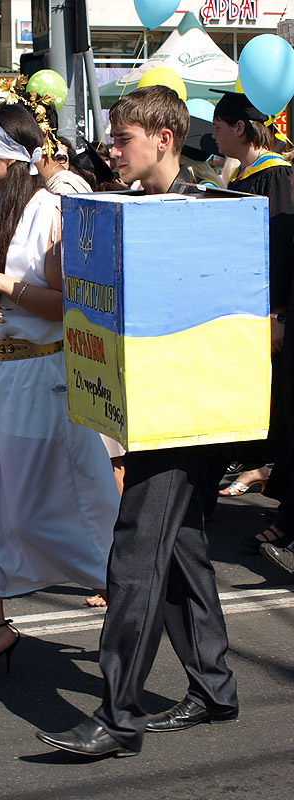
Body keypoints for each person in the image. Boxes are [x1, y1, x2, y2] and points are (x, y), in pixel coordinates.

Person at [36, 86, 239, 758]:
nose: (111, 149)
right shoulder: (129, 208)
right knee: (178, 546)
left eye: (122, 138)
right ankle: (212, 686)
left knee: (134, 555)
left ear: (163, 138)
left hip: (188, 409)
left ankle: (118, 717)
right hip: (149, 403)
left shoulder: (211, 207)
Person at [0, 102, 118, 685]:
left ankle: (130, 597)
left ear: (9, 157)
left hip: (39, 378)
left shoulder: (51, 212)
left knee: (55, 505)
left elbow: (69, 302)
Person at [209, 93, 294, 539]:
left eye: (220, 127)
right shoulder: (243, 173)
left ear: (239, 127)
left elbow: (278, 244)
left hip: (271, 312)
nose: (216, 135)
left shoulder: (275, 172)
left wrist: (278, 312)